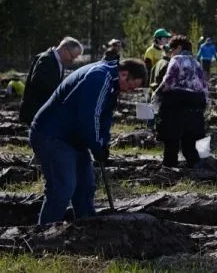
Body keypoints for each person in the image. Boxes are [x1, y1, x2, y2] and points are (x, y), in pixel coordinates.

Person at [30, 58, 147, 225]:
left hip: (74, 138)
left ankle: (88, 230)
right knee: (62, 188)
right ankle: (43, 237)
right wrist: (96, 145)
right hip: (52, 134)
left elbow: (104, 116)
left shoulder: (112, 83)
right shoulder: (99, 77)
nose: (129, 91)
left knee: (85, 187)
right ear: (124, 74)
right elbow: (89, 117)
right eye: (130, 86)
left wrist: (103, 143)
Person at [152, 35, 208, 169]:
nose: (171, 52)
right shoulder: (196, 62)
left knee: (171, 141)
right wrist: (204, 104)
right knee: (190, 142)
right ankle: (196, 170)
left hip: (176, 104)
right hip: (195, 105)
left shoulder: (176, 60)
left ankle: (169, 170)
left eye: (172, 49)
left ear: (179, 47)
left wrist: (156, 95)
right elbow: (204, 86)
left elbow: (168, 81)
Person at [19, 37, 83, 125]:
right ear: (64, 49)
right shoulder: (46, 59)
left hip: (45, 112)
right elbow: (39, 84)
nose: (72, 60)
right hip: (35, 111)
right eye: (72, 56)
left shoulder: (59, 62)